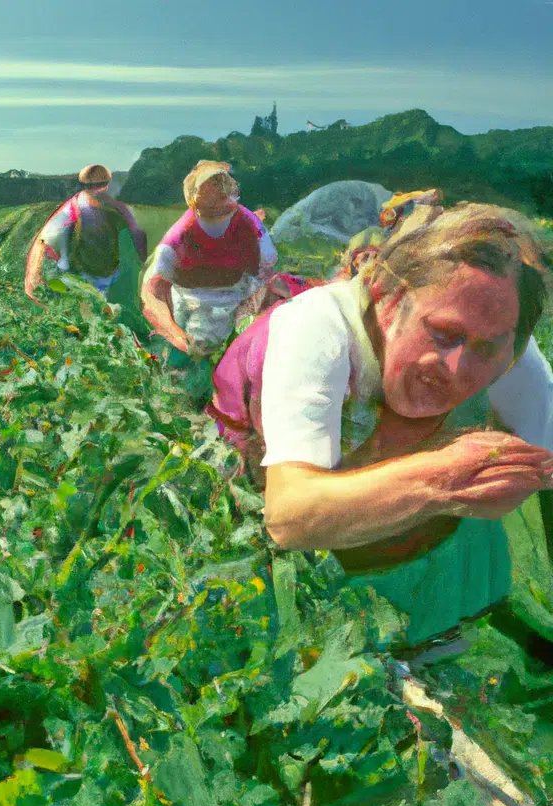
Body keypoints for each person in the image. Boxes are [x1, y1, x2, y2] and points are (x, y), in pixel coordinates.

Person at [206, 202, 551, 646]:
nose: (456, 367)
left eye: (487, 351)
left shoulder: (510, 342)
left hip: (418, 542)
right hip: (282, 543)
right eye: (443, 333)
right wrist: (444, 477)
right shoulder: (314, 329)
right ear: (389, 300)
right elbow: (290, 518)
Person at [141, 161, 278, 361]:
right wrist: (174, 333)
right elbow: (153, 287)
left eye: (223, 183)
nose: (221, 189)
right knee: (189, 355)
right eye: (212, 184)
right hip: (190, 301)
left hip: (232, 298)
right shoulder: (181, 234)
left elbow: (267, 264)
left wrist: (248, 303)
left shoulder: (248, 223)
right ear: (194, 197)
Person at [24, 164, 147, 301]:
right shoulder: (78, 206)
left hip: (105, 271)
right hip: (80, 270)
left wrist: (142, 262)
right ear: (106, 185)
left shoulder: (114, 207)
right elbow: (44, 239)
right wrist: (32, 275)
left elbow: (138, 234)